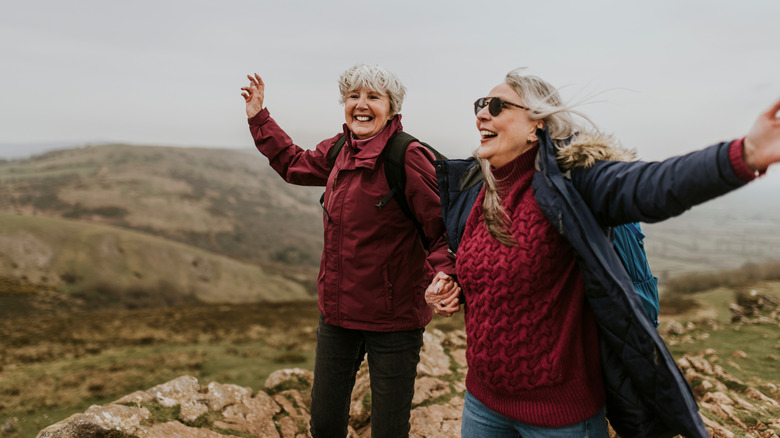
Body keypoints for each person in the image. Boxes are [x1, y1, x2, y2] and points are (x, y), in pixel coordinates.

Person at [426, 68, 780, 438]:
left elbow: (652, 186)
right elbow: (490, 267)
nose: (482, 113)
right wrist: (450, 283)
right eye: (480, 105)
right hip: (482, 403)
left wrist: (744, 155)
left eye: (497, 106)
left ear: (538, 126)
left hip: (560, 417)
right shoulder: (474, 190)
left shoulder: (573, 184)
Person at [241, 64, 457, 438]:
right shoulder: (340, 149)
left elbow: (440, 229)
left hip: (394, 319)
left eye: (373, 97)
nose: (361, 104)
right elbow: (293, 163)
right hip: (338, 314)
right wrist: (260, 118)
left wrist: (446, 275)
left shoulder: (406, 156)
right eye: (354, 96)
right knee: (324, 425)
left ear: (392, 109)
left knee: (388, 430)